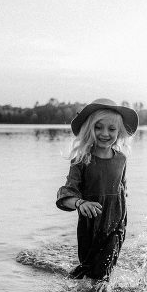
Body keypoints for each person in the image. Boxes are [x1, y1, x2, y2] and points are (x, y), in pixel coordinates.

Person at [56, 98, 138, 281]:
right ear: (89, 129)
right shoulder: (81, 160)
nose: (104, 133)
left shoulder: (121, 159)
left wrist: (122, 196)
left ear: (119, 132)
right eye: (98, 127)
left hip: (116, 225)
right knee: (89, 270)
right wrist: (80, 203)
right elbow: (66, 193)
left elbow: (122, 188)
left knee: (103, 273)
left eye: (111, 129)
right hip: (89, 227)